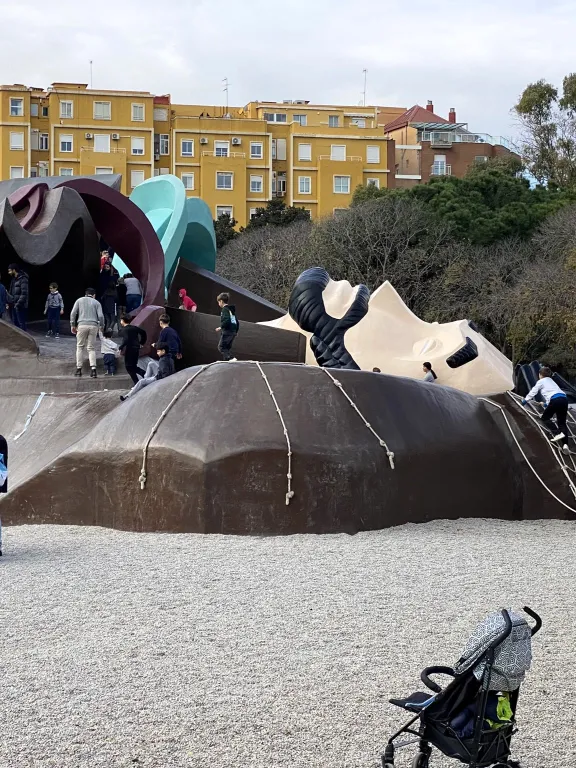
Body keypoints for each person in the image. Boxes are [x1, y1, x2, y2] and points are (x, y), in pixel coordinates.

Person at [522, 366, 570, 452]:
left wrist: (525, 400)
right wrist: (545, 404)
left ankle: (557, 433)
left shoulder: (541, 381)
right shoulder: (552, 381)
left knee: (545, 417)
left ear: (540, 375)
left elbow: (534, 391)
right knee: (562, 422)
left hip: (555, 399)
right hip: (564, 399)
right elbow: (552, 394)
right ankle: (565, 445)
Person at [70, 288, 104, 378]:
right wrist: (101, 326)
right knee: (91, 348)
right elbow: (100, 316)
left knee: (80, 347)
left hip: (81, 325)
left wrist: (73, 325)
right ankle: (93, 370)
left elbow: (73, 313)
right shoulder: (97, 303)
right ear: (94, 295)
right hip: (93, 326)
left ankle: (78, 369)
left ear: (86, 294)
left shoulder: (79, 300)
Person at [119, 314, 147, 385]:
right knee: (133, 366)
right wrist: (142, 343)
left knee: (129, 367)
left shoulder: (124, 330)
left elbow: (126, 339)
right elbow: (143, 333)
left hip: (129, 349)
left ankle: (138, 381)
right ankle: (143, 376)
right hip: (136, 348)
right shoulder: (134, 327)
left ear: (122, 321)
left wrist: (121, 347)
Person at [215, 292, 239, 361]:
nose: (218, 304)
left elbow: (227, 320)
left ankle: (231, 358)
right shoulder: (231, 310)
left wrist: (221, 327)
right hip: (233, 332)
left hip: (227, 331)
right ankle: (226, 361)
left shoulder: (225, 310)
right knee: (226, 348)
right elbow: (236, 321)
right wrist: (236, 331)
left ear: (221, 301)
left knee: (221, 347)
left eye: (218, 302)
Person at [7, 263, 29, 331]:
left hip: (20, 306)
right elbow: (11, 292)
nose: (9, 272)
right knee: (15, 323)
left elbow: (24, 294)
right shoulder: (13, 279)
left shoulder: (23, 279)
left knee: (21, 324)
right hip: (14, 304)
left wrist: (18, 304)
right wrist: (9, 302)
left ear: (14, 270)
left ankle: (25, 340)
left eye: (10, 271)